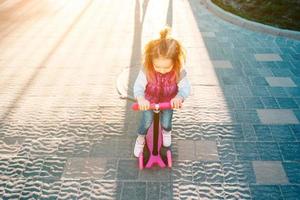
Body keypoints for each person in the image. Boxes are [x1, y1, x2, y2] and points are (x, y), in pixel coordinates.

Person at [133, 26, 191, 157]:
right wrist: (141, 99)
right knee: (146, 121)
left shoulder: (178, 71)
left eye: (167, 67)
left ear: (175, 62)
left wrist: (179, 97)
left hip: (168, 102)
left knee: (166, 121)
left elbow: (186, 87)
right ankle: (140, 138)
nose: (162, 70)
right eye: (157, 66)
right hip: (149, 101)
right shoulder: (147, 69)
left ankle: (166, 132)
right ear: (150, 61)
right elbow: (138, 86)